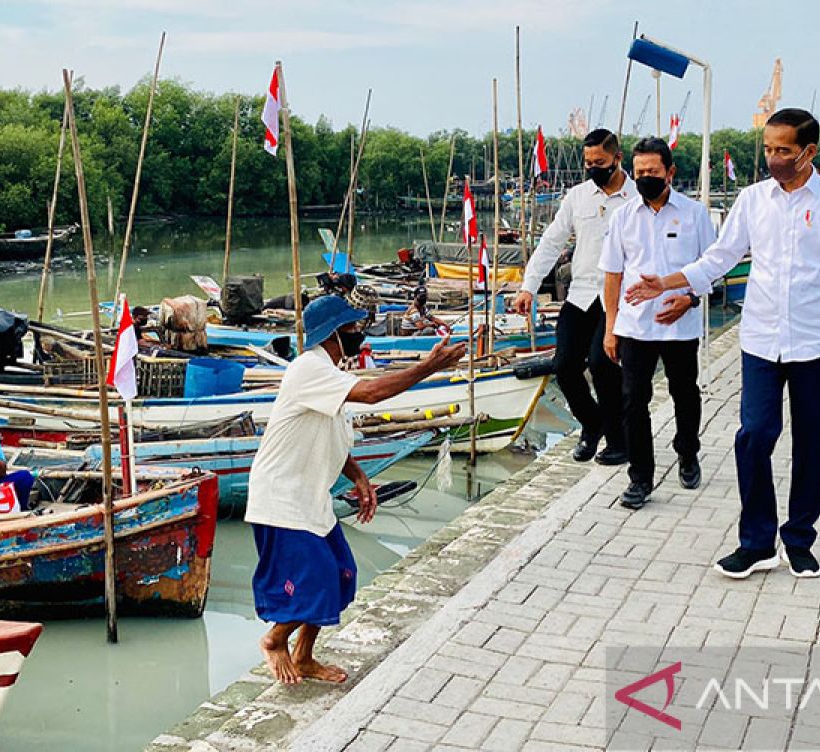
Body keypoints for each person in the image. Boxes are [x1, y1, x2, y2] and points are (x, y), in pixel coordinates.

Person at [626, 108, 820, 579]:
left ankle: (800, 538)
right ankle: (756, 542)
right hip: (762, 340)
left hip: (818, 343)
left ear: (808, 152)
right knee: (753, 436)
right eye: (768, 149)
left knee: (811, 443)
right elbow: (719, 258)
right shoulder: (752, 200)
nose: (773, 158)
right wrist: (668, 283)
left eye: (783, 151)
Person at [245, 296, 466, 684]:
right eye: (352, 328)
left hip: (310, 498)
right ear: (333, 333)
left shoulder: (329, 373)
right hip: (280, 498)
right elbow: (373, 393)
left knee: (343, 574)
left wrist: (359, 476)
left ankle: (304, 657)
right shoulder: (307, 369)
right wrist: (428, 367)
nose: (359, 333)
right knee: (319, 579)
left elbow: (329, 434)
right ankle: (275, 640)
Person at [600, 137, 716, 509]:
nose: (645, 178)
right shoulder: (623, 218)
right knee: (634, 401)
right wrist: (610, 327)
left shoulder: (695, 215)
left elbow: (711, 269)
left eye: (652, 171)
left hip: (679, 325)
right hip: (635, 327)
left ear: (670, 172)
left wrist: (690, 299)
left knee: (685, 393)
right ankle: (640, 476)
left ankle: (687, 452)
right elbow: (613, 276)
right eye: (639, 173)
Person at [512, 128, 636, 465]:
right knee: (564, 366)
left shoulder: (637, 197)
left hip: (619, 297)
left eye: (601, 162)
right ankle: (591, 424)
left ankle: (618, 440)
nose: (594, 168)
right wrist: (529, 286)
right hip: (581, 293)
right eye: (588, 163)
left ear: (617, 158)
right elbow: (552, 241)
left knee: (602, 364)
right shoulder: (578, 197)